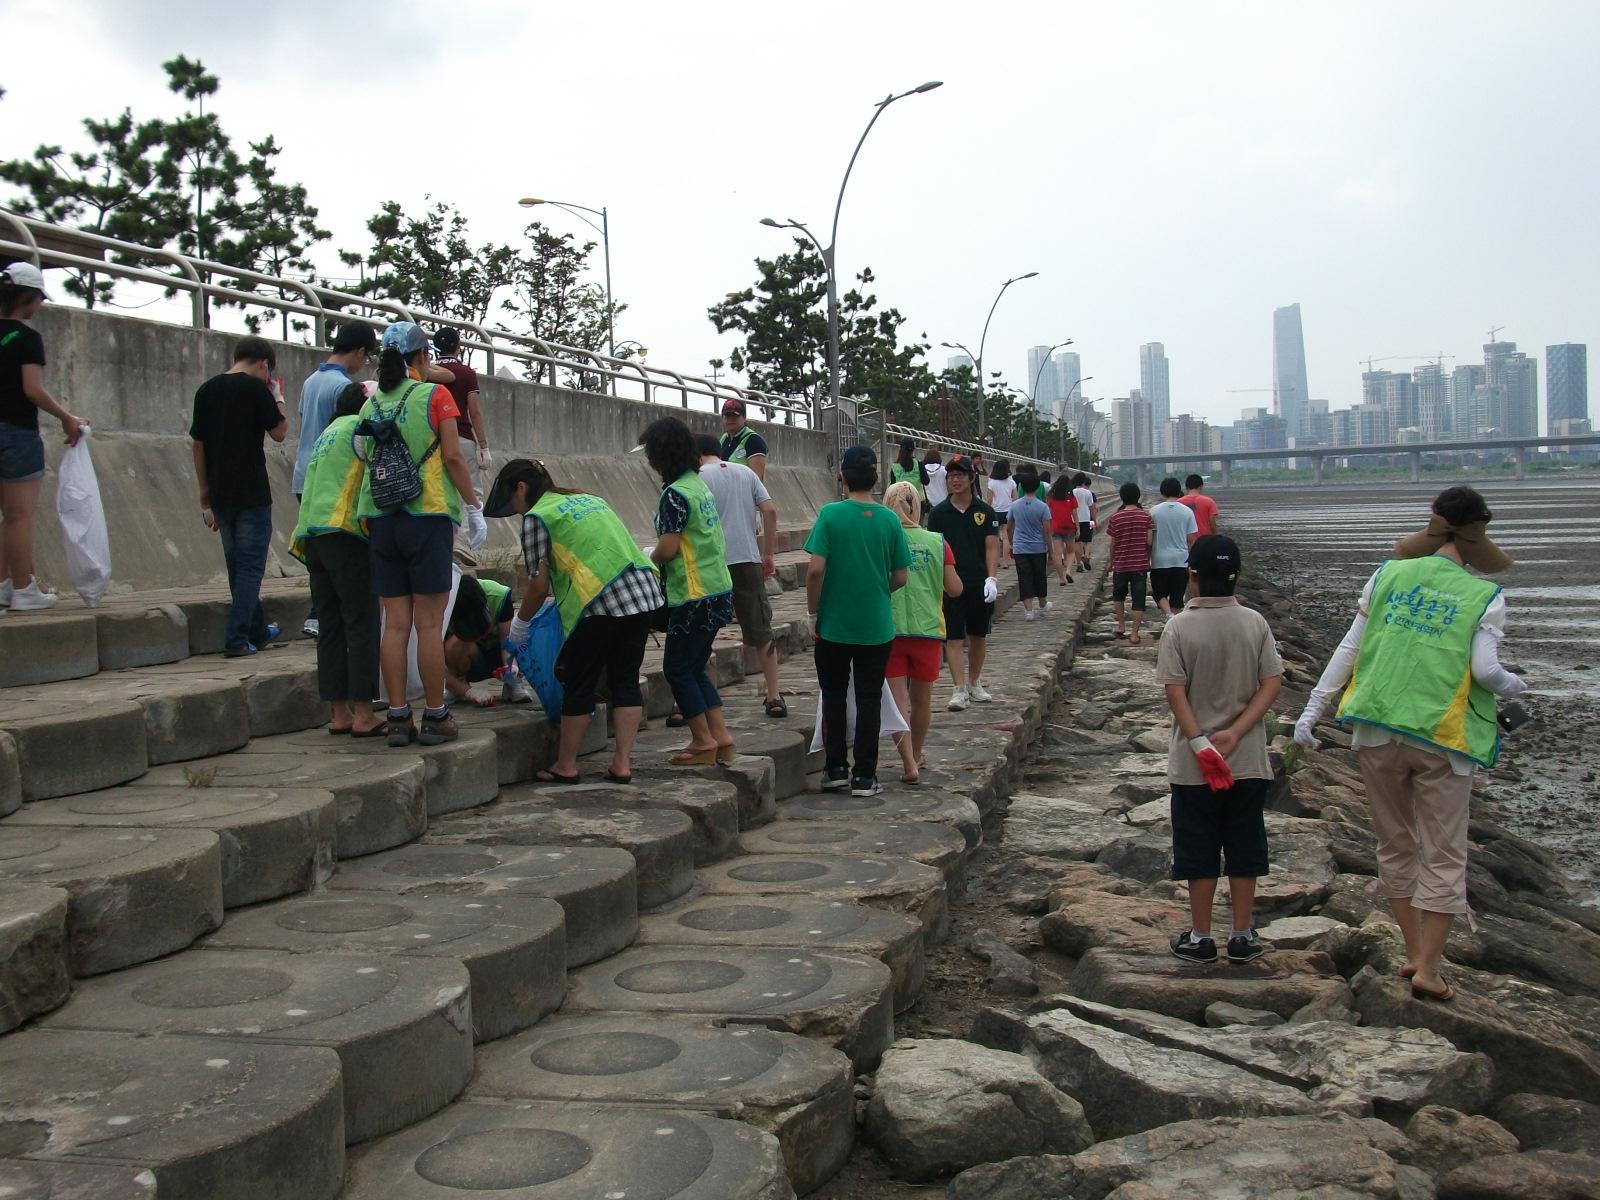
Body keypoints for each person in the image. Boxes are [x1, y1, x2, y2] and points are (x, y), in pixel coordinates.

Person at [1293, 486, 1527, 1002]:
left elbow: (1349, 648)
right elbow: (1486, 672)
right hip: (1443, 740)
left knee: (1395, 844)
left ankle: (1414, 952)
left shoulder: (1387, 575)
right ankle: (1429, 969)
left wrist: (1312, 711)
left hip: (1375, 730)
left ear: (1433, 524)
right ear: (1478, 534)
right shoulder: (1483, 596)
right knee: (1444, 854)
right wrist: (1515, 686)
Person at [487, 458, 664, 785]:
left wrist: (520, 626)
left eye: (512, 500)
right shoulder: (588, 498)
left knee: (579, 681)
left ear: (521, 488)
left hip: (601, 600)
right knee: (624, 679)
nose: (516, 508)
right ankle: (622, 763)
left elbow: (538, 586)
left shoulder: (538, 517)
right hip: (643, 593)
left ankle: (566, 765)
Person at [356, 322, 486, 747]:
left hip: (381, 519)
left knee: (394, 625)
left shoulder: (371, 405)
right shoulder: (436, 396)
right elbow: (452, 456)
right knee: (429, 625)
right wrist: (473, 506)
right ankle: (435, 714)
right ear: (423, 357)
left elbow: (361, 453)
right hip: (427, 516)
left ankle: (397, 717)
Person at [1157, 534, 1284, 965]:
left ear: (1191, 575)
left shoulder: (1178, 627)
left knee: (1198, 849)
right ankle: (1244, 933)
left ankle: (1200, 935)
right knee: (1245, 844)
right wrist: (1237, 732)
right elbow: (1271, 682)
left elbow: (1176, 692)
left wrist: (1200, 740)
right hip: (1246, 760)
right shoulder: (1255, 623)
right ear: (1237, 576)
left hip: (1195, 766)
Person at [805, 446, 910, 796]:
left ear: (843, 477)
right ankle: (865, 776)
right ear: (876, 478)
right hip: (875, 625)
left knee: (833, 695)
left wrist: (814, 611)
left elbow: (815, 570)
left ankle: (835, 768)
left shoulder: (830, 515)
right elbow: (900, 577)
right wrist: (877, 589)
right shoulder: (889, 519)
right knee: (869, 699)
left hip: (833, 625)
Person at [643, 416, 737, 765]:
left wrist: (647, 558)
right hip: (718, 590)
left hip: (693, 595)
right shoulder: (698, 486)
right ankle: (721, 737)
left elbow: (668, 549)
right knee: (695, 667)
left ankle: (702, 741)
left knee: (678, 669)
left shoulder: (675, 494)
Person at [289, 382, 382, 735]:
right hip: (346, 533)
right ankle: (364, 714)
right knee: (361, 623)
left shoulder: (327, 433)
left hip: (312, 534)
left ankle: (339, 713)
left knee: (330, 627)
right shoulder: (361, 430)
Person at [190, 335, 289, 656]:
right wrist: (278, 397)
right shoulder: (255, 390)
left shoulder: (206, 390)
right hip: (252, 492)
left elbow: (198, 444)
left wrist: (204, 494)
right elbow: (280, 432)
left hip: (220, 492)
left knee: (237, 566)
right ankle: (236, 638)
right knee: (250, 568)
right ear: (263, 364)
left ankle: (258, 631)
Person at [0, 262, 83, 611]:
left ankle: (4, 586)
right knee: (18, 516)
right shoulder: (26, 338)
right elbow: (32, 389)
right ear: (28, 298)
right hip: (15, 432)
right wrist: (67, 418)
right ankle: (24, 589)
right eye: (38, 300)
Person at [293, 323, 379, 638]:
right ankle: (324, 618)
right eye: (366, 357)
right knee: (341, 565)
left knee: (319, 559)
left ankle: (320, 615)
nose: (363, 363)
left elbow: (304, 427)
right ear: (359, 351)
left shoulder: (310, 382)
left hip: (306, 475)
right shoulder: (344, 388)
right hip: (334, 482)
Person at [691, 433, 785, 717]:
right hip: (746, 557)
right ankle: (774, 695)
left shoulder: (695, 478)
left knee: (698, 631)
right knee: (761, 628)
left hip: (710, 562)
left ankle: (693, 697)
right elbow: (769, 510)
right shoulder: (745, 472)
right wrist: (767, 553)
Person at [881, 481, 959, 785]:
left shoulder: (883, 540)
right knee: (922, 700)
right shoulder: (938, 541)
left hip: (890, 629)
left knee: (898, 701)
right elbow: (955, 588)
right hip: (928, 630)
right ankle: (919, 750)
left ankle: (908, 763)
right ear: (919, 506)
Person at [928, 455, 999, 711]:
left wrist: (992, 577)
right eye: (951, 476)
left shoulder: (985, 512)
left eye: (960, 475)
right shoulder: (938, 514)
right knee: (954, 638)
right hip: (950, 584)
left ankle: (974, 683)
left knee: (978, 636)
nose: (955, 480)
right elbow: (935, 549)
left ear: (971, 478)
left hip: (979, 583)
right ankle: (958, 689)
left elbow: (992, 547)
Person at [432, 327, 491, 564]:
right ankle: (463, 542)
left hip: (434, 439)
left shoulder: (428, 373)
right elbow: (474, 411)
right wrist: (483, 445)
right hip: (463, 436)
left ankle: (445, 541)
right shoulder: (467, 373)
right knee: (471, 490)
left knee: (443, 489)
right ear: (458, 346)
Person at [442, 574, 516, 704]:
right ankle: (457, 687)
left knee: (523, 632)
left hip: (498, 653)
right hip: (472, 660)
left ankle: (514, 683)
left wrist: (511, 666)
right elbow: (435, 668)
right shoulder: (441, 610)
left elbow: (508, 640)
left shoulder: (499, 596)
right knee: (453, 645)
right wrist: (468, 691)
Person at [1106, 481, 1155, 644]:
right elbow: (1149, 541)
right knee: (1138, 600)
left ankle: (1121, 625)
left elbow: (1113, 543)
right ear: (1138, 496)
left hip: (1120, 563)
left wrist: (1110, 562)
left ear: (1122, 497)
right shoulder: (1146, 516)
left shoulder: (1115, 517)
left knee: (1118, 595)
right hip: (1140, 564)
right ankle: (1134, 633)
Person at [1150, 476, 1200, 621]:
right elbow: (1191, 540)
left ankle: (1168, 615)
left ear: (1162, 492)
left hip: (1160, 559)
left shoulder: (1154, 512)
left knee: (1159, 593)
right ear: (1179, 492)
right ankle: (1173, 620)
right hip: (1181, 559)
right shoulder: (1187, 512)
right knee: (1177, 597)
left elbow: (1149, 539)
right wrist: (1193, 561)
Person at [1008, 466, 1052, 619]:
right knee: (1039, 576)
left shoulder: (1014, 505)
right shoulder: (1043, 507)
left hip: (1020, 547)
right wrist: (1051, 550)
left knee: (1024, 577)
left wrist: (1011, 543)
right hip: (1038, 547)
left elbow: (1009, 527)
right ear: (1037, 486)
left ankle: (1028, 611)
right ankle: (1042, 603)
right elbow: (1047, 531)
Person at [718, 398, 767, 480]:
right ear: (722, 418)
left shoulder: (753, 440)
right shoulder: (724, 438)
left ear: (744, 417)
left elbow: (757, 479)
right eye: (727, 415)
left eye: (735, 415)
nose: (730, 419)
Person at [1046, 474, 1078, 586]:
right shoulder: (1071, 497)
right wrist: (1077, 528)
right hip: (1069, 526)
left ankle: (1061, 578)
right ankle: (1068, 571)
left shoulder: (1051, 496)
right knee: (1070, 551)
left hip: (1056, 527)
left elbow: (1049, 512)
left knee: (1057, 554)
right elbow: (1074, 514)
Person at [987, 459, 1018, 561]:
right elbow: (1015, 498)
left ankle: (997, 561)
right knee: (1005, 536)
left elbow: (989, 499)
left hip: (995, 513)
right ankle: (1005, 561)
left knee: (995, 537)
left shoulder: (991, 483)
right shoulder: (1011, 482)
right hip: (1008, 512)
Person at [1071, 473, 1098, 573]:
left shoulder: (1072, 492)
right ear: (1084, 481)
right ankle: (1086, 556)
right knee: (1089, 539)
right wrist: (1094, 520)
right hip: (1087, 519)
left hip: (1074, 520)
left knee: (1077, 542)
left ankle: (1079, 563)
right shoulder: (1088, 493)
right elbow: (1092, 508)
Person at [889, 438, 928, 503]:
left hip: (901, 502)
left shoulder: (895, 467)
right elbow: (926, 481)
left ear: (900, 449)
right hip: (918, 502)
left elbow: (892, 486)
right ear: (913, 450)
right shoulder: (919, 464)